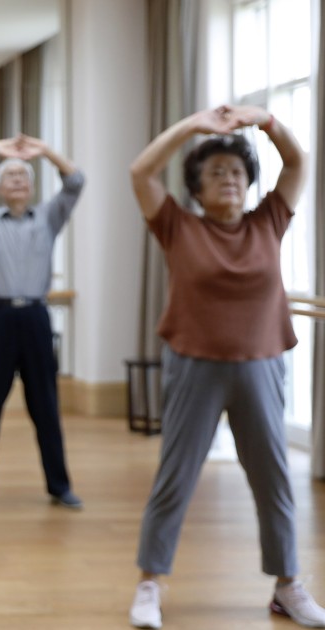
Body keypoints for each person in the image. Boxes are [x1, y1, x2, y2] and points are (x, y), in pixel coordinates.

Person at [127, 105, 324, 628]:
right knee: (176, 477)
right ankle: (150, 584)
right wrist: (193, 126)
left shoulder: (269, 221)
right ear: (196, 187)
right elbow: (141, 172)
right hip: (194, 366)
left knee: (273, 479)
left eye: (237, 171)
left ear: (249, 182)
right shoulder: (177, 226)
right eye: (216, 172)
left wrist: (267, 122)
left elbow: (298, 162)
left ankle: (288, 586)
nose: (229, 179)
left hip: (261, 365)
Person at [0, 133, 85, 510]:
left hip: (35, 319)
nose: (17, 180)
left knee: (46, 405)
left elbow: (76, 182)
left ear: (32, 186)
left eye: (23, 175)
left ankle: (59, 486)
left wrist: (45, 152)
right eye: (9, 175)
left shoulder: (48, 217)